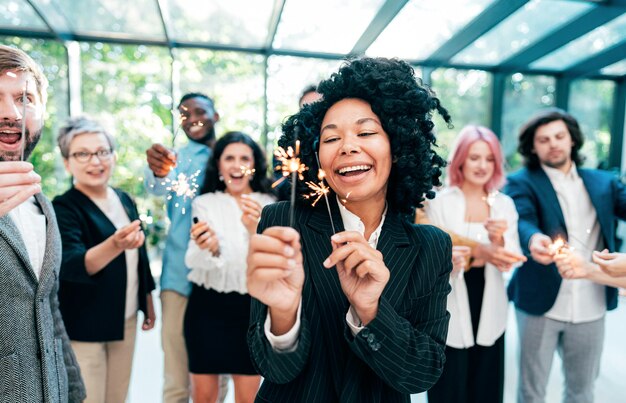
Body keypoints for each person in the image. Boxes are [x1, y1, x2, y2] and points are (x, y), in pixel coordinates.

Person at [246, 57, 453, 402]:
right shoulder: (282, 222)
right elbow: (274, 370)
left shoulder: (430, 246)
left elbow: (421, 373)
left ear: (398, 146)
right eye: (331, 138)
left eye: (366, 132)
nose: (347, 146)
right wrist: (283, 315)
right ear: (318, 158)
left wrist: (371, 310)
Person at [505, 108, 626, 403]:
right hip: (540, 303)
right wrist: (534, 238)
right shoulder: (522, 181)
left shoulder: (604, 181)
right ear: (533, 147)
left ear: (572, 140)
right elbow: (521, 219)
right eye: (544, 139)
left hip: (591, 302)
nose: (553, 144)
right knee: (531, 391)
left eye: (559, 136)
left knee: (582, 391)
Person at [0, 44, 85, 402]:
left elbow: (48, 307)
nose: (11, 114)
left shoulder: (42, 203)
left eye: (24, 99)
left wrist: (75, 391)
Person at [52, 117, 156, 403]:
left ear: (113, 155)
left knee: (118, 396)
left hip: (125, 319)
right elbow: (72, 264)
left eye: (102, 152)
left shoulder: (123, 199)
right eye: (82, 154)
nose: (94, 161)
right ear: (67, 162)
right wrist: (114, 244)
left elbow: (140, 254)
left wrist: (147, 300)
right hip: (85, 324)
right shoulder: (63, 207)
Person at [425, 125, 525, 403]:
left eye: (489, 158)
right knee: (449, 387)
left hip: (490, 296)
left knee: (486, 386)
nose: (482, 165)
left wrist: (499, 242)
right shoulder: (440, 203)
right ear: (460, 160)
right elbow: (434, 254)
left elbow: (511, 259)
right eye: (474, 157)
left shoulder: (504, 204)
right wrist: (478, 254)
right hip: (449, 299)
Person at [144, 93, 224, 403]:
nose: (192, 117)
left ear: (216, 115)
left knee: (218, 375)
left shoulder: (232, 155)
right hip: (179, 278)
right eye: (184, 113)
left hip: (221, 278)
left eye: (200, 111)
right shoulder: (176, 158)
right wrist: (159, 170)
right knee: (176, 375)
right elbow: (158, 184)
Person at [185, 131, 275, 402]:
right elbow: (191, 259)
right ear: (219, 165)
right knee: (203, 396)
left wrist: (253, 231)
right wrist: (210, 248)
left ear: (255, 164)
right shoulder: (204, 202)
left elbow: (272, 261)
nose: (236, 165)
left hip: (252, 311)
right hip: (206, 308)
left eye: (244, 158)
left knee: (248, 398)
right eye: (229, 158)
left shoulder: (270, 204)